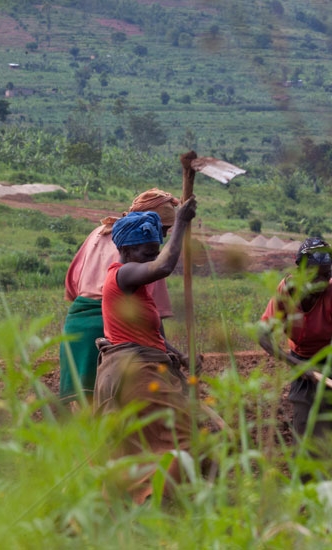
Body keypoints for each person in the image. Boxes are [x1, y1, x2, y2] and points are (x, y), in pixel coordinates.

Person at [93, 197, 198, 504]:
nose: (150, 261)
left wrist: (177, 355)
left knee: (134, 447)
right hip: (136, 374)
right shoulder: (122, 275)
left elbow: (147, 334)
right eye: (145, 254)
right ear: (125, 251)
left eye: (153, 252)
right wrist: (180, 222)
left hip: (132, 369)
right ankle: (164, 504)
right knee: (182, 440)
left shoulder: (135, 289)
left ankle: (126, 509)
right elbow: (165, 265)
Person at [59, 189, 180, 405]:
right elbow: (153, 320)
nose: (162, 237)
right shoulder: (146, 260)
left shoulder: (98, 234)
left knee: (87, 412)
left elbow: (71, 286)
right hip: (117, 336)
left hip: (76, 325)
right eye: (163, 229)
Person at [257, 237, 332, 445]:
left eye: (326, 275)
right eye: (314, 276)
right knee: (303, 426)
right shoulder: (286, 292)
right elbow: (262, 336)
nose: (321, 282)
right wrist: (297, 364)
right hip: (301, 359)